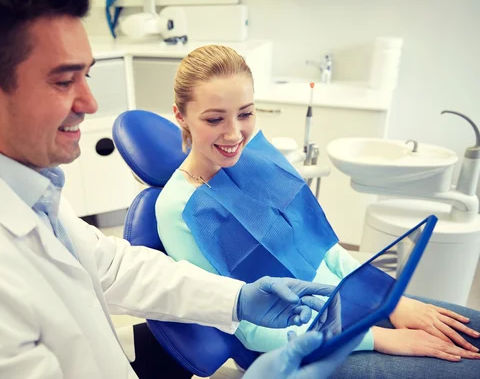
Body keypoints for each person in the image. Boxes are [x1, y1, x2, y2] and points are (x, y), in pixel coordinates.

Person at [0, 0, 362, 378]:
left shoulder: (27, 193)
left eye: (86, 76)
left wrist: (237, 298)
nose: (90, 104)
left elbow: (110, 266)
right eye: (64, 81)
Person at [155, 44, 480, 376]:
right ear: (180, 116)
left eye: (246, 113)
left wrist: (388, 299)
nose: (235, 133)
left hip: (355, 307)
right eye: (214, 119)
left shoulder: (255, 159)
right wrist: (375, 337)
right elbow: (245, 325)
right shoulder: (178, 208)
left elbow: (324, 249)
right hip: (300, 346)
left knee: (474, 330)